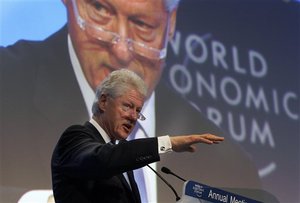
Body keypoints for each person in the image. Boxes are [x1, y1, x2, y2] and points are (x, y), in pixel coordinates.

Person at [0, 0, 262, 202]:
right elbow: (108, 158)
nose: (122, 49)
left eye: (143, 25)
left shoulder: (231, 164)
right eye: (101, 9)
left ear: (171, 24)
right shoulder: (9, 80)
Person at [51, 69, 224, 203]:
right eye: (127, 106)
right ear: (104, 102)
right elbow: (102, 159)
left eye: (138, 111)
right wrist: (168, 143)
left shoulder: (120, 157)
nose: (133, 117)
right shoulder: (75, 137)